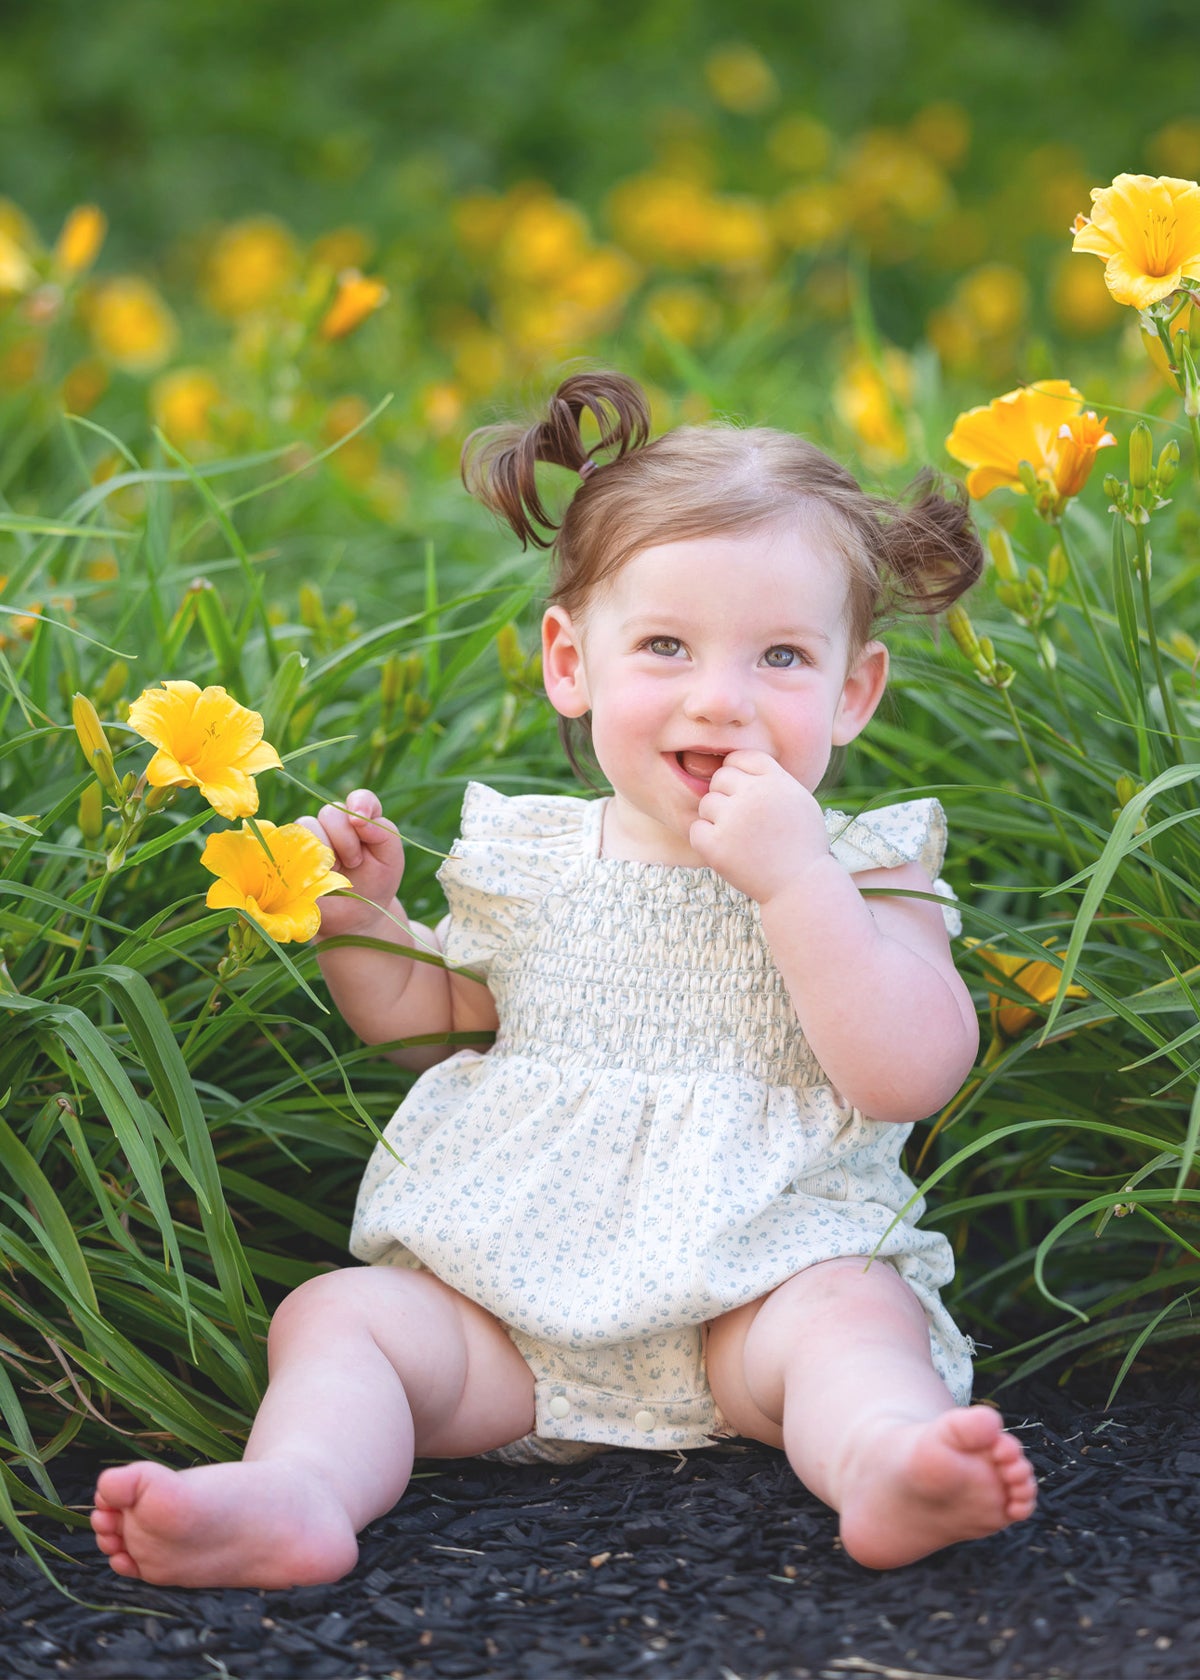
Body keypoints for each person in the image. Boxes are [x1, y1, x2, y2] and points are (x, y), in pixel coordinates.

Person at [91, 370, 1037, 1589]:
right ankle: (298, 1490)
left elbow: (908, 1070)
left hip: (757, 1296)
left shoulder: (868, 865)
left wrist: (799, 886)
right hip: (506, 1305)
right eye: (664, 647)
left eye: (783, 657)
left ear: (853, 691)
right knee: (336, 1320)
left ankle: (889, 1463)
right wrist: (363, 920)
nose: (720, 699)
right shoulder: (532, 856)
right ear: (568, 661)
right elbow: (436, 1030)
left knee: (855, 1321)